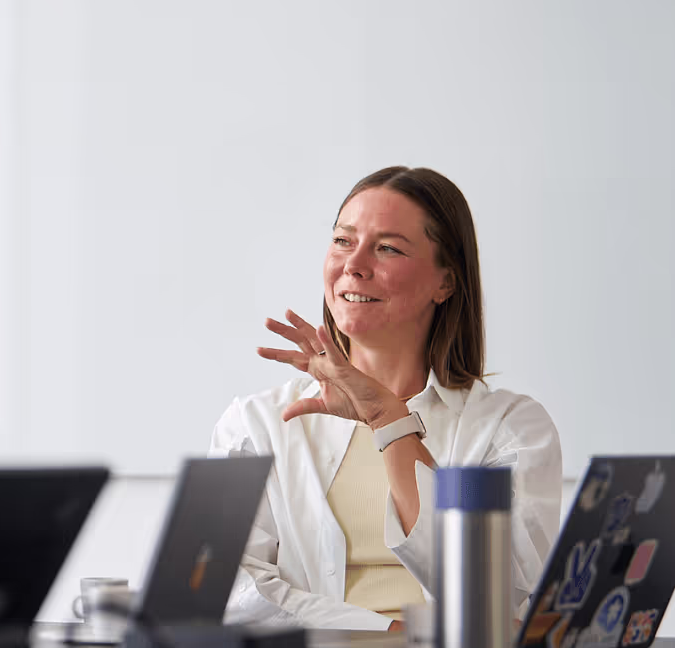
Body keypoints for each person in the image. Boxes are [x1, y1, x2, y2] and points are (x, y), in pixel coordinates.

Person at [211, 166, 562, 630]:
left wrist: (390, 421)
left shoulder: (506, 430)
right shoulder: (256, 425)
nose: (354, 265)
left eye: (388, 248)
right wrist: (391, 636)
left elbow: (494, 596)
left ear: (446, 283)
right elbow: (233, 592)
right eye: (343, 241)